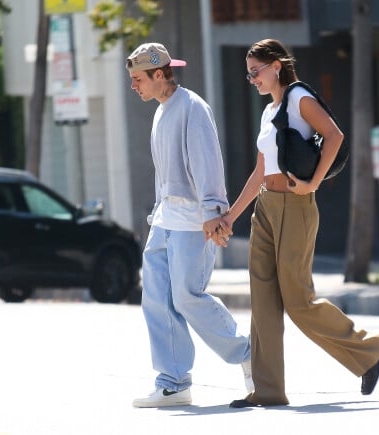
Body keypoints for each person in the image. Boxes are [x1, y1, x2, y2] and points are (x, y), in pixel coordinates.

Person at [216, 39, 379, 408]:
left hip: (296, 205)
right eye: (248, 74)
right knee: (262, 299)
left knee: (298, 301)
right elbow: (261, 170)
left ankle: (367, 350)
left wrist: (312, 183)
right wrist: (231, 215)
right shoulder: (268, 112)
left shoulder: (297, 98)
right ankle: (268, 390)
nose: (252, 79)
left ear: (276, 66)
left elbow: (335, 135)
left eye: (255, 71)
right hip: (266, 207)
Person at [125, 42, 252, 408]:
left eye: (138, 79)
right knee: (157, 299)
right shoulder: (161, 111)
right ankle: (173, 382)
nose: (134, 86)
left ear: (160, 74)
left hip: (193, 223)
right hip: (164, 221)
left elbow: (207, 161)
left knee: (186, 296)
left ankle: (247, 353)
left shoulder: (193, 108)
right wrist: (156, 216)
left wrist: (214, 212)